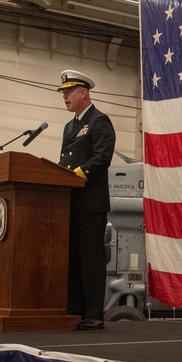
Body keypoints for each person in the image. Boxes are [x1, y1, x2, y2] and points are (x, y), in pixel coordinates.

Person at [58, 69, 116, 331]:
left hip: (91, 203)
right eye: (64, 92)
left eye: (69, 92)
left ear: (84, 92)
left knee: (91, 259)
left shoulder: (99, 120)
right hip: (71, 202)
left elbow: (102, 157)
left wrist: (79, 174)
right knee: (72, 259)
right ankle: (75, 310)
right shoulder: (69, 126)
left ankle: (94, 314)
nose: (65, 96)